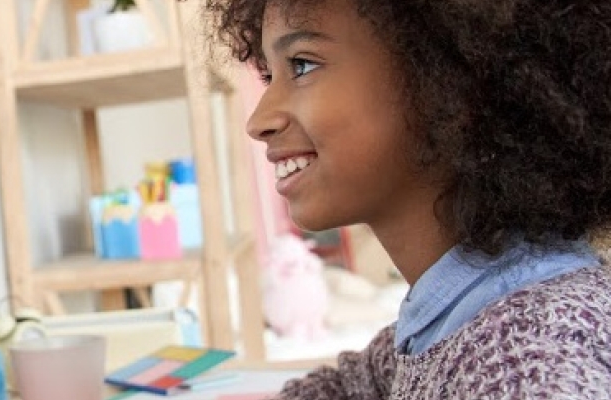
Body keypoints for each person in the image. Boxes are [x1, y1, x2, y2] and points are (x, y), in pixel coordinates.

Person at [207, 0, 611, 398]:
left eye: (302, 64)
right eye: (268, 75)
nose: (258, 122)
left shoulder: (523, 361)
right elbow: (349, 387)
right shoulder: (459, 315)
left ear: (446, 82)